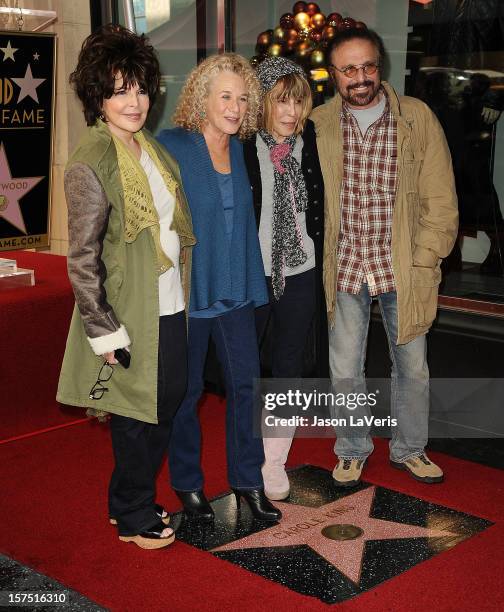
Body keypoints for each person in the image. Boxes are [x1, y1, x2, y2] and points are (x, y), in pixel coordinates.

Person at [56, 25, 195, 549]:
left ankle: (126, 498)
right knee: (137, 411)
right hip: (127, 308)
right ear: (98, 97)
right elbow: (83, 256)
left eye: (139, 87)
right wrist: (102, 327)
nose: (133, 101)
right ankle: (134, 512)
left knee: (170, 397)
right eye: (119, 90)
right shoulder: (90, 162)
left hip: (169, 300)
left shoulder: (151, 151)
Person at [310, 27, 458, 487]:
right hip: (345, 266)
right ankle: (352, 449)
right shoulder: (316, 124)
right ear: (333, 74)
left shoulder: (416, 117)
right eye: (349, 68)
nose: (361, 77)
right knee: (344, 367)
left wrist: (425, 259)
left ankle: (410, 448)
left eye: (368, 65)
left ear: (381, 66)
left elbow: (441, 200)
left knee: (412, 364)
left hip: (404, 268)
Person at [157, 53, 281, 521]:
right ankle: (188, 484)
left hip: (238, 289)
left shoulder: (247, 149)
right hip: (190, 292)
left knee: (247, 388)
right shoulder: (171, 145)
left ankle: (248, 482)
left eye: (242, 98)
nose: (234, 107)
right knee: (186, 394)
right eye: (225, 96)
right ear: (201, 99)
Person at [242, 56, 327, 500]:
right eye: (281, 101)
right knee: (247, 367)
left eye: (298, 101)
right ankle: (246, 453)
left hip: (301, 271)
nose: (292, 112)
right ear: (263, 104)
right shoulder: (241, 146)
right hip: (252, 274)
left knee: (289, 367)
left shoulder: (311, 142)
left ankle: (274, 461)